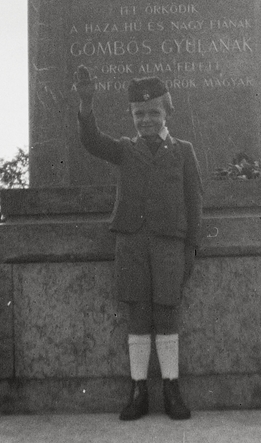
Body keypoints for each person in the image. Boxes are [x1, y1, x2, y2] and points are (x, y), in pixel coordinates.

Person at [73, 65, 202, 420]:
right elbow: (92, 141)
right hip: (131, 243)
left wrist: (191, 246)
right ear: (132, 116)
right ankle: (138, 391)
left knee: (167, 312)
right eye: (139, 114)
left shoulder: (183, 151)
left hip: (169, 245)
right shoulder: (125, 150)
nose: (146, 119)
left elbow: (194, 202)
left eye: (154, 112)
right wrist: (86, 104)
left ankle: (172, 389)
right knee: (139, 314)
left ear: (167, 113)